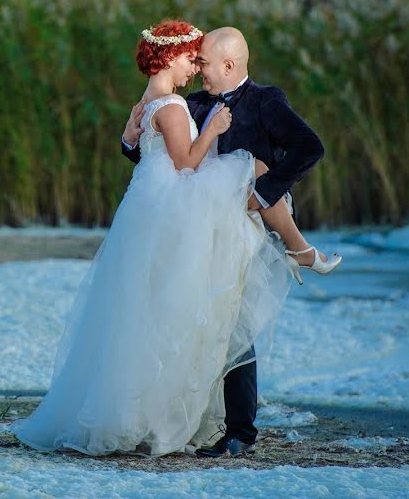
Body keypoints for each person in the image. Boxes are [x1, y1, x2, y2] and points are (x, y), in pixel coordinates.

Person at [11, 20, 291, 458]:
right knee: (169, 312)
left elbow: (145, 148)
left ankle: (138, 409)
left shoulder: (148, 100)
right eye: (188, 60)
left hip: (146, 207)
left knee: (138, 310)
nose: (193, 69)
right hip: (170, 210)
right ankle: (159, 416)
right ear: (169, 57)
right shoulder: (176, 105)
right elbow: (184, 165)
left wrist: (128, 137)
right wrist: (215, 130)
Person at [121, 24, 339, 458]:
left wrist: (264, 192)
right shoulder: (195, 102)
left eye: (204, 63)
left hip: (245, 225)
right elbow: (159, 150)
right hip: (198, 228)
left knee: (235, 323)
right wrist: (130, 137)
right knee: (195, 321)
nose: (198, 68)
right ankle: (184, 418)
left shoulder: (265, 100)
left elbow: (308, 147)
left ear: (228, 64)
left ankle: (240, 431)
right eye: (195, 61)